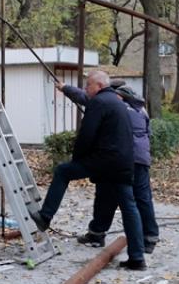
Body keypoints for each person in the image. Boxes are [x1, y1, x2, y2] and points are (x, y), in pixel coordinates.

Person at [30, 70, 145, 269]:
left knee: (63, 171)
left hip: (105, 160)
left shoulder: (98, 102)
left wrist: (77, 160)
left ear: (99, 86)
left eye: (88, 85)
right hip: (124, 163)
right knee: (127, 206)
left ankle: (45, 216)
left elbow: (86, 135)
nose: (85, 89)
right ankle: (136, 257)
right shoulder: (118, 102)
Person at [57, 80, 159, 252]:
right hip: (141, 159)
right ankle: (149, 238)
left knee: (106, 196)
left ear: (116, 93)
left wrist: (65, 87)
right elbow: (148, 133)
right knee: (142, 198)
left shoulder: (113, 104)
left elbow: (85, 97)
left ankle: (97, 233)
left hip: (119, 158)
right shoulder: (140, 107)